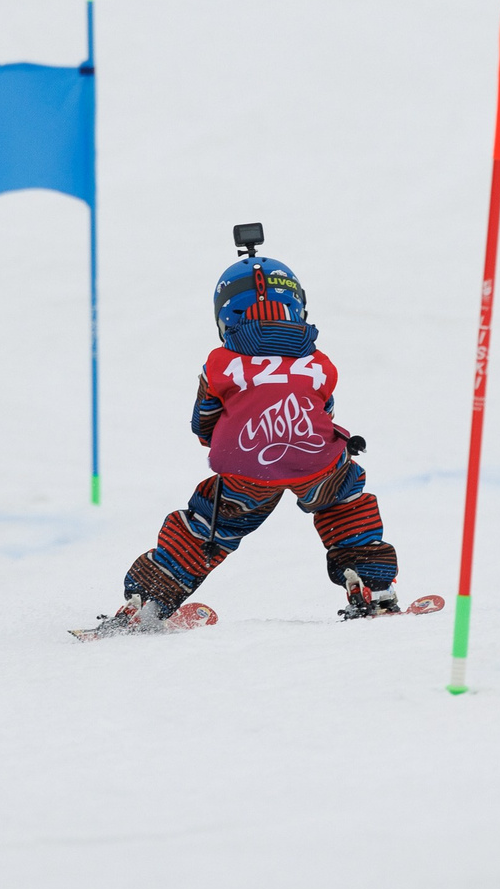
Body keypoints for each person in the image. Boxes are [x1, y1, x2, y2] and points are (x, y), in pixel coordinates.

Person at [82, 237, 401, 636]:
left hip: (245, 467)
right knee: (343, 502)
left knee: (208, 526)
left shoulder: (222, 364)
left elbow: (204, 422)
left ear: (225, 319)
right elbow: (325, 410)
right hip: (314, 458)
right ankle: (370, 585)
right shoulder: (318, 362)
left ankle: (148, 599)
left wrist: (230, 436)